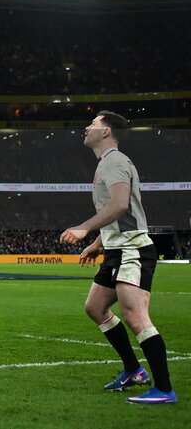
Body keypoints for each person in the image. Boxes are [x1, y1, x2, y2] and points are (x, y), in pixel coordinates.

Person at [60, 111, 177, 404]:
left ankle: (164, 389)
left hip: (131, 250)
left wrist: (85, 228)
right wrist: (99, 243)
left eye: (94, 124)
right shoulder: (107, 163)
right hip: (116, 248)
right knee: (96, 308)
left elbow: (121, 204)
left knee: (135, 316)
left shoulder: (114, 162)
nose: (87, 127)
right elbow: (121, 211)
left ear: (106, 132)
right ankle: (134, 370)